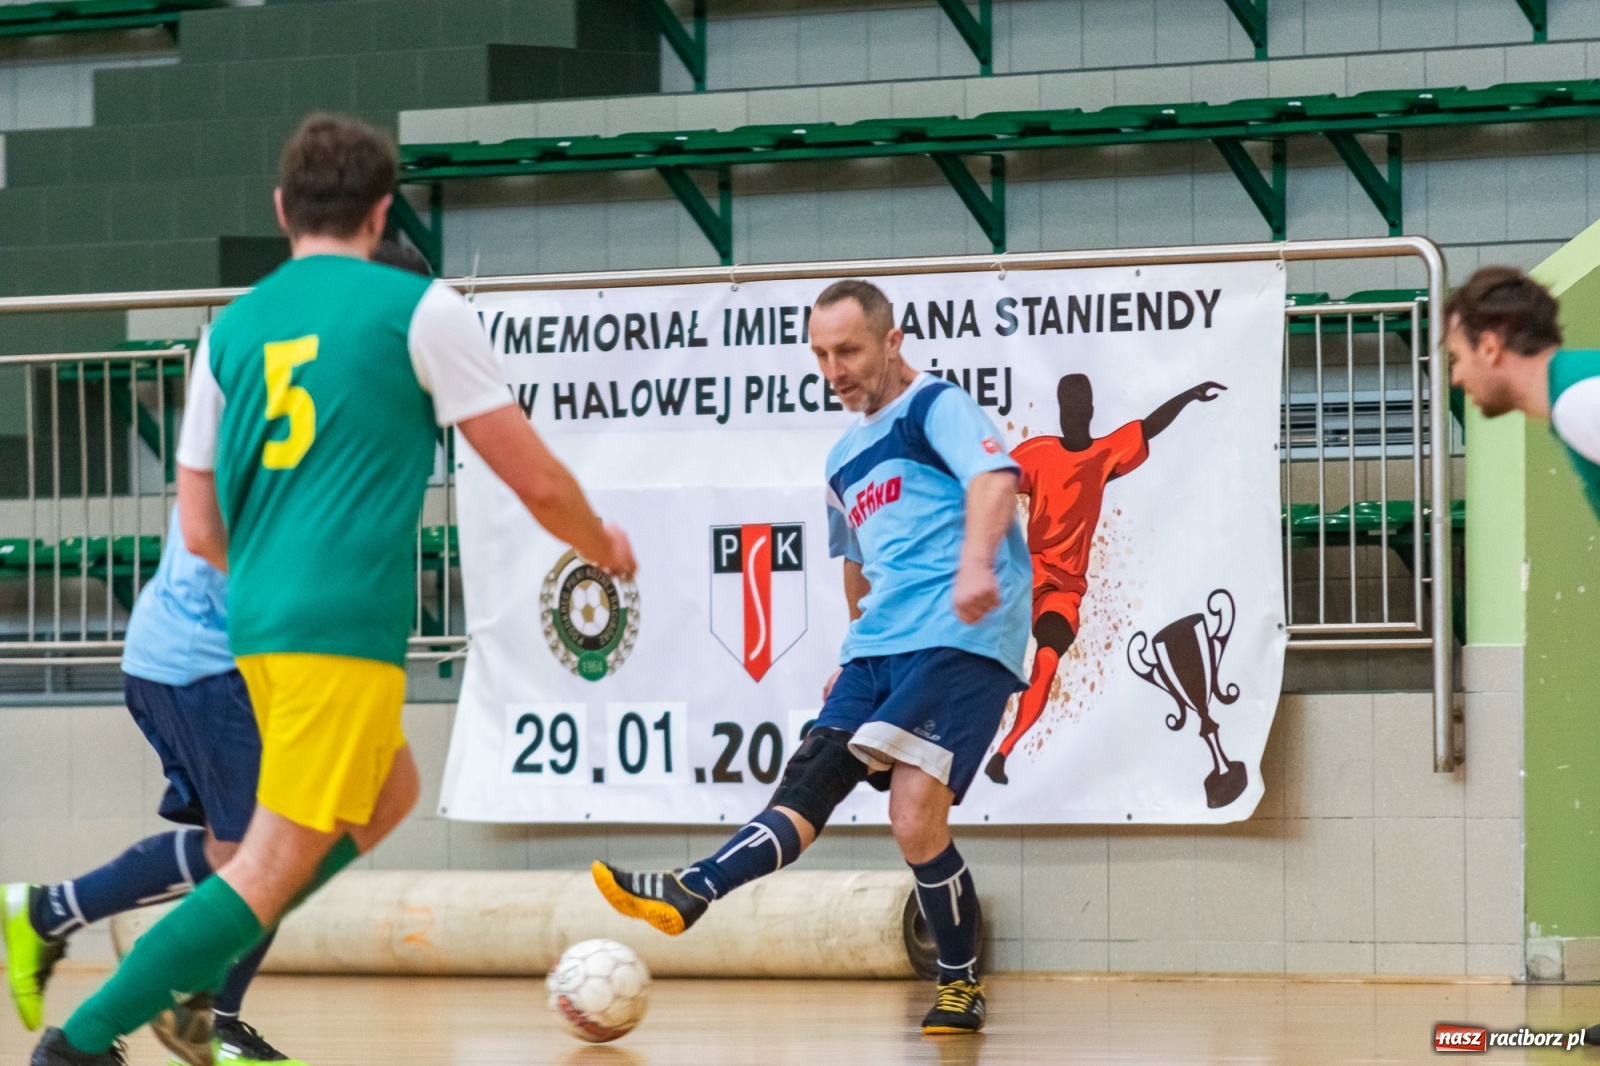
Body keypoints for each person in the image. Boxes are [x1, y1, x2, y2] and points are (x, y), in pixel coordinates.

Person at [29, 112, 636, 1066]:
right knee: (271, 863)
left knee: (389, 790)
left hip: (260, 628)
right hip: (339, 629)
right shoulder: (422, 309)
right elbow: (533, 478)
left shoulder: (229, 329)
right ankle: (89, 1037)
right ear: (381, 208)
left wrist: (278, 579)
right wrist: (602, 543)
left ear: (282, 210)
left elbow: (198, 527)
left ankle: (192, 954)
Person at [592, 279, 1029, 1035]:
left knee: (912, 816)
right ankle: (691, 889)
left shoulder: (935, 407)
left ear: (892, 342)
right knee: (813, 777)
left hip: (960, 636)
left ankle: (959, 984)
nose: (835, 370)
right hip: (879, 646)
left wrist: (976, 564)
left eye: (849, 350)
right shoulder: (842, 458)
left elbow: (995, 481)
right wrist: (853, 644)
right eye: (822, 354)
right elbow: (855, 563)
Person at [983, 373, 1225, 785]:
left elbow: (1148, 427)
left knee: (1046, 657)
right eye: (1071, 408)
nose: (1074, 414)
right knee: (1009, 656)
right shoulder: (1042, 454)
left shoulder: (1099, 456)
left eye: (1077, 408)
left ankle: (1004, 750)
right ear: (1069, 411)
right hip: (1028, 580)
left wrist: (1186, 395)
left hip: (1058, 590)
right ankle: (994, 743)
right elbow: (991, 481)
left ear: (1087, 411)